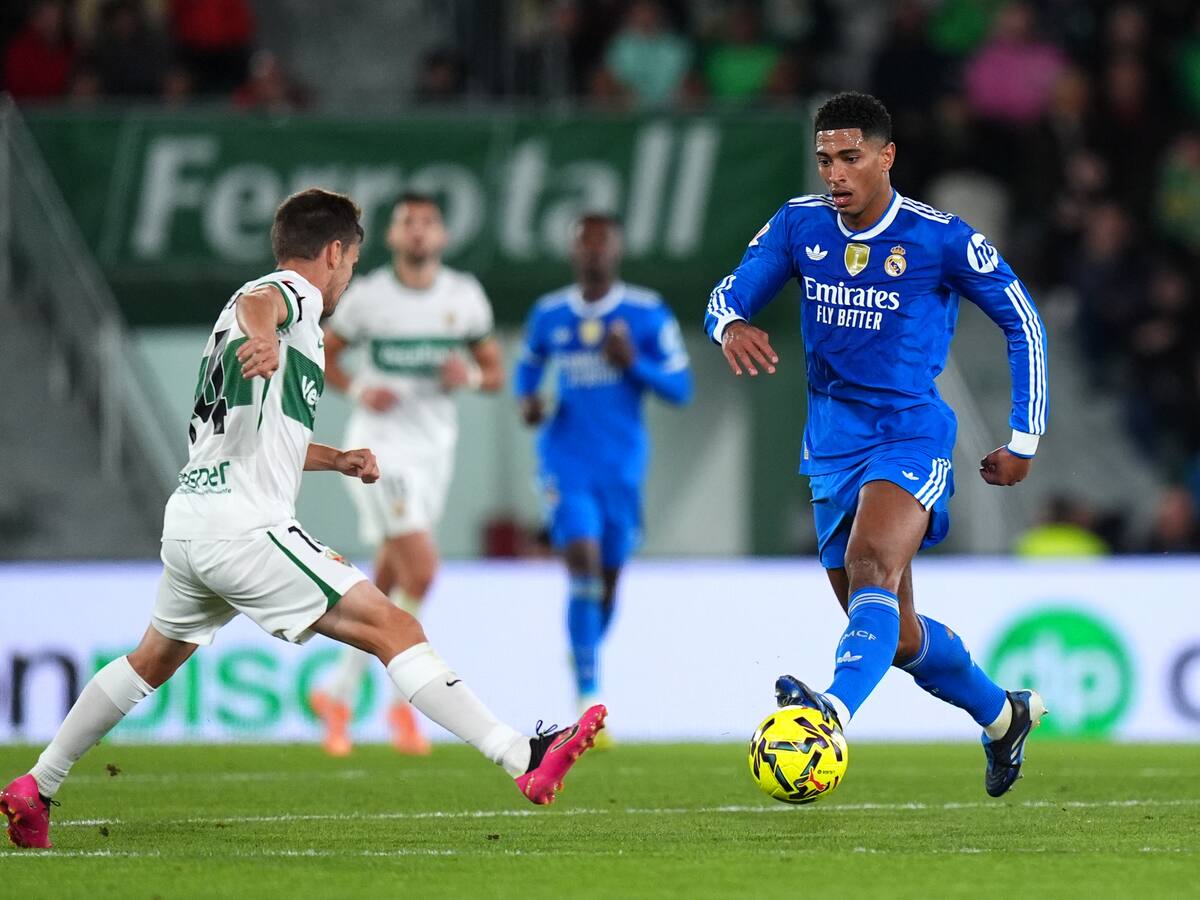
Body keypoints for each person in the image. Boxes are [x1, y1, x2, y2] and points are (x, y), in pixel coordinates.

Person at [0, 188, 605, 850]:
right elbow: (266, 304)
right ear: (336, 252)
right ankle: (521, 756)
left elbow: (254, 431)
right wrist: (263, 333)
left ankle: (37, 785)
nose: (347, 277)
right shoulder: (288, 296)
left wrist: (336, 457)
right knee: (393, 625)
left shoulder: (256, 320)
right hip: (243, 525)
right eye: (350, 262)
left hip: (194, 516)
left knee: (149, 660)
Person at [704, 92, 1047, 797]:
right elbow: (726, 296)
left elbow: (1024, 322)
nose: (834, 172)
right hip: (831, 444)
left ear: (886, 157)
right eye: (825, 158)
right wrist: (731, 325)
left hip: (909, 434)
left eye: (850, 158)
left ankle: (828, 712)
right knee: (896, 636)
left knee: (871, 564)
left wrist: (1024, 437)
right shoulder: (800, 225)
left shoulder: (939, 238)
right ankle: (1003, 715)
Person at [308, 192, 505, 757]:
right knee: (424, 566)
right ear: (392, 238)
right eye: (406, 224)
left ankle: (339, 694)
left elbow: (494, 375)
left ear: (441, 236)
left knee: (394, 577)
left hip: (435, 451)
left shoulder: (463, 297)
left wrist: (465, 374)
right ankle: (403, 698)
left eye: (427, 223)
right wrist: (360, 388)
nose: (417, 232)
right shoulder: (369, 299)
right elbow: (325, 352)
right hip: (380, 447)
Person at [516, 214, 692, 745]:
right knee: (584, 566)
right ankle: (588, 698)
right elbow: (528, 371)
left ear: (615, 250)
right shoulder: (548, 314)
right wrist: (529, 401)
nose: (592, 253)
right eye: (584, 243)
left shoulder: (645, 311)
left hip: (621, 467)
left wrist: (633, 363)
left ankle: (583, 654)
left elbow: (680, 388)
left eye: (601, 244)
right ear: (573, 251)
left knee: (608, 582)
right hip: (566, 461)